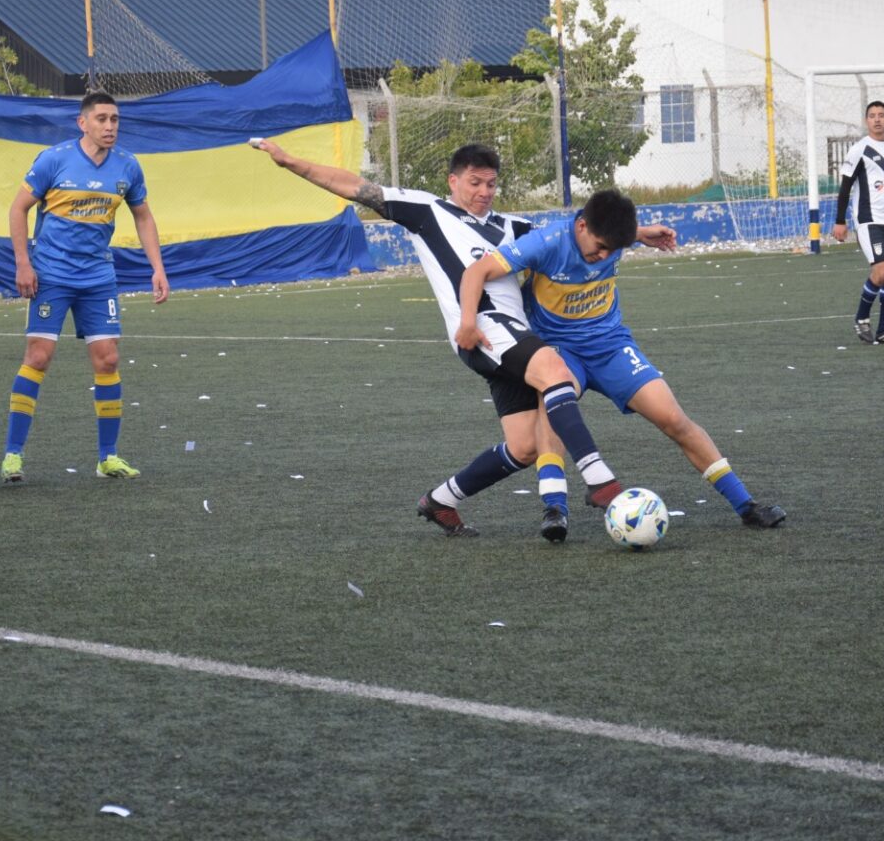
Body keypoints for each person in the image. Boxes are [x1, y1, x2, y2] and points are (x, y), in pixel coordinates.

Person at [251, 139, 623, 541]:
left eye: (491, 184)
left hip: (512, 337)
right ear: (453, 180)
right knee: (557, 372)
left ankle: (440, 501)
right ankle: (600, 481)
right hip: (482, 330)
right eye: (475, 183)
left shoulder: (512, 227)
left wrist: (640, 232)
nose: (483, 192)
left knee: (524, 447)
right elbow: (355, 186)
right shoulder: (429, 211)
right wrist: (290, 162)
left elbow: (573, 236)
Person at [456, 190, 787, 533]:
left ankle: (745, 504)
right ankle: (554, 509)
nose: (604, 256)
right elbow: (476, 272)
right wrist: (468, 321)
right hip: (558, 349)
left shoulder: (608, 239)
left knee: (674, 418)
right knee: (555, 406)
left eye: (614, 249)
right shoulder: (546, 242)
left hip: (611, 346)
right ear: (580, 225)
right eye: (600, 247)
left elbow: (612, 238)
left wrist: (639, 234)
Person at [0, 92, 169, 482]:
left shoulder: (128, 166)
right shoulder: (53, 160)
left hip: (98, 277)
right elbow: (17, 209)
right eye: (102, 119)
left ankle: (107, 457)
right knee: (38, 357)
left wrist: (157, 268)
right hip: (51, 275)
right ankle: (13, 454)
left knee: (108, 359)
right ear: (83, 123)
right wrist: (23, 263)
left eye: (114, 120)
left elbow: (143, 217)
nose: (110, 126)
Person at [832, 101, 884, 343]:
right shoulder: (859, 150)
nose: (877, 119)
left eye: (881, 115)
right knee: (881, 269)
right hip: (869, 220)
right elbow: (845, 188)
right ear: (867, 121)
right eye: (872, 116)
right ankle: (861, 318)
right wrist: (840, 220)